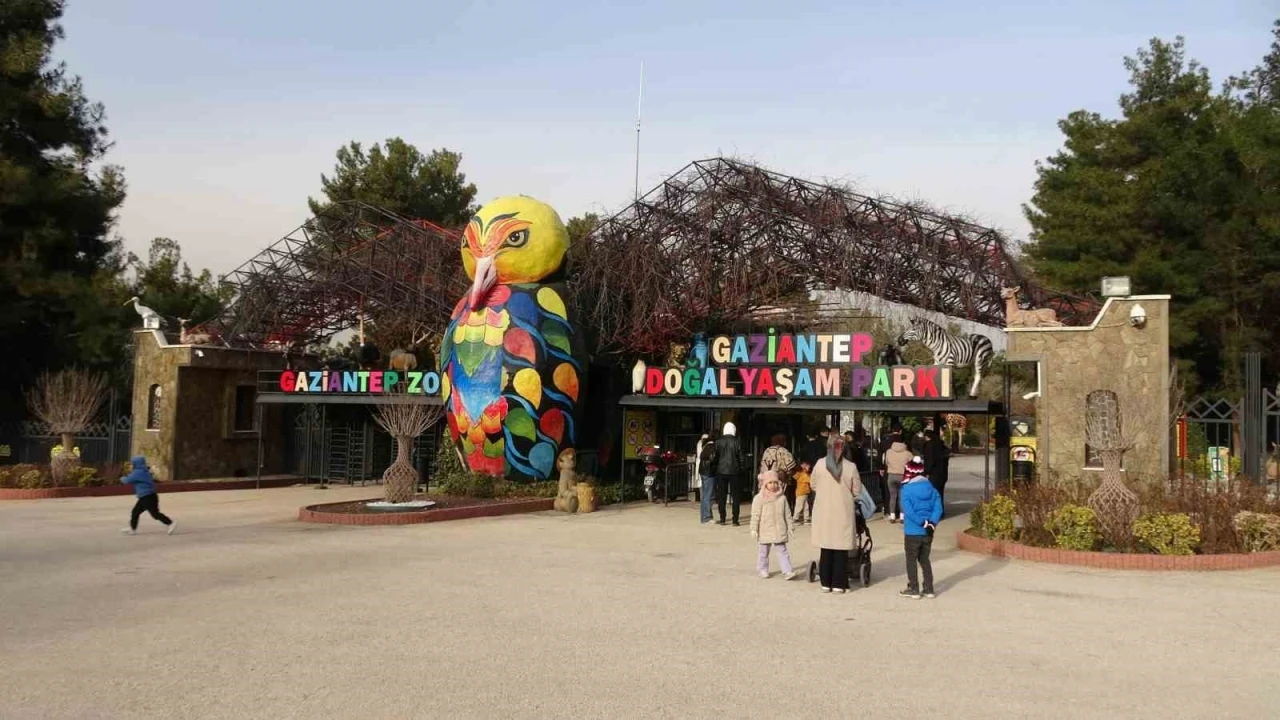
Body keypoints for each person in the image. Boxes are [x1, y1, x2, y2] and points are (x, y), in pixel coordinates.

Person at [809, 433, 862, 594]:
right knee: (841, 549)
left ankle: (826, 582)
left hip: (824, 510)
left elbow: (813, 485)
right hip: (843, 511)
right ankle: (839, 583)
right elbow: (857, 490)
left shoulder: (820, 464)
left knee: (826, 548)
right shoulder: (851, 467)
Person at [899, 456, 942, 599]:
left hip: (912, 530)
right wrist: (931, 523)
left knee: (911, 559)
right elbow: (938, 508)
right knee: (925, 559)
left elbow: (908, 511)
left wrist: (921, 522)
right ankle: (929, 588)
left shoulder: (906, 489)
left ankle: (914, 588)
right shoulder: (932, 489)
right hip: (928, 531)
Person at [751, 470, 796, 579]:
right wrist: (754, 529)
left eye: (775, 482)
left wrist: (790, 526)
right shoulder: (759, 498)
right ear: (765, 484)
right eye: (770, 483)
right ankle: (762, 569)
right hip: (765, 529)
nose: (773, 485)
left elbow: (787, 514)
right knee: (763, 551)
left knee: (782, 551)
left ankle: (787, 571)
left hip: (779, 529)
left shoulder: (782, 498)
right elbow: (755, 515)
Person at [120, 455, 175, 535]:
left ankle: (170, 523)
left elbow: (127, 480)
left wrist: (122, 478)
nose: (132, 465)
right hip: (146, 496)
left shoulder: (138, 473)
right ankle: (132, 528)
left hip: (148, 497)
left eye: (133, 463)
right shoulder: (144, 470)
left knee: (155, 514)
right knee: (135, 512)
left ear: (136, 464)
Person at [714, 422, 745, 526]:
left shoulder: (718, 442)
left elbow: (715, 457)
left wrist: (716, 467)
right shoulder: (737, 442)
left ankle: (722, 518)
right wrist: (741, 469)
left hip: (721, 471)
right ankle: (735, 520)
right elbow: (741, 458)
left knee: (721, 496)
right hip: (734, 472)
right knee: (735, 496)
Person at [760, 434, 796, 511]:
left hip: (766, 479)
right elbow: (791, 465)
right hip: (778, 480)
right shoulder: (783, 451)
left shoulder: (767, 450)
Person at [882, 436, 913, 523]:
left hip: (891, 476)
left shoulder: (888, 452)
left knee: (892, 497)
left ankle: (892, 516)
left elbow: (886, 462)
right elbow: (912, 464)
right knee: (902, 497)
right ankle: (902, 517)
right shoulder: (908, 453)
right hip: (903, 476)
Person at [922, 427, 951, 517]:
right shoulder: (942, 446)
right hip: (943, 473)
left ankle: (935, 512)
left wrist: (926, 472)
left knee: (933, 494)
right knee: (940, 493)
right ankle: (940, 511)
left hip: (933, 474)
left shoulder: (929, 446)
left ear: (927, 437)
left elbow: (930, 461)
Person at [695, 433, 717, 524]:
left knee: (705, 495)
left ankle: (704, 517)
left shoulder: (704, 446)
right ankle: (707, 517)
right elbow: (713, 459)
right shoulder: (712, 447)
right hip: (709, 473)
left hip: (703, 472)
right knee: (709, 495)